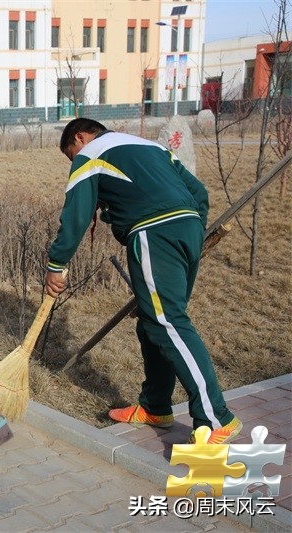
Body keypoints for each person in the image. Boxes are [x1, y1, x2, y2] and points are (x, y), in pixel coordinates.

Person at [44, 118, 242, 445]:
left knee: (168, 322)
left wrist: (57, 263)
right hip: (188, 229)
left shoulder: (90, 153)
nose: (73, 160)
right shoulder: (153, 148)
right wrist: (190, 231)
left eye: (70, 154)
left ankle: (215, 416)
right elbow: (199, 193)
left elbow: (76, 214)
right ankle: (155, 405)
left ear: (79, 137)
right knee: (152, 321)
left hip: (154, 231)